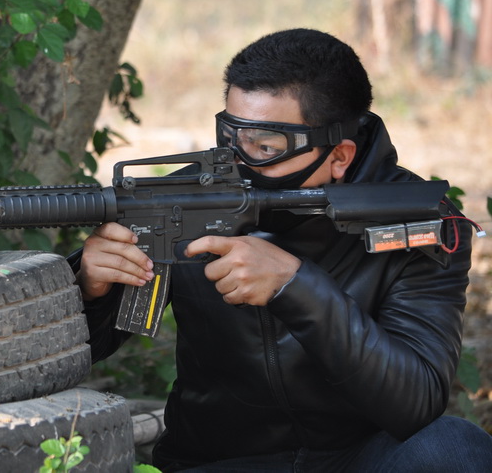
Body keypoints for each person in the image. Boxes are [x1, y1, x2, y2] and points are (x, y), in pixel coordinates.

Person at [73, 29, 492, 472]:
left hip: (357, 459)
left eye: (265, 147)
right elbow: (79, 352)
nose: (238, 162)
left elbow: (416, 403)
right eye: (231, 137)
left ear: (339, 156)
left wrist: (297, 287)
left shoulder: (417, 223)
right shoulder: (184, 200)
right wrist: (89, 289)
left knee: (454, 447)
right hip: (219, 461)